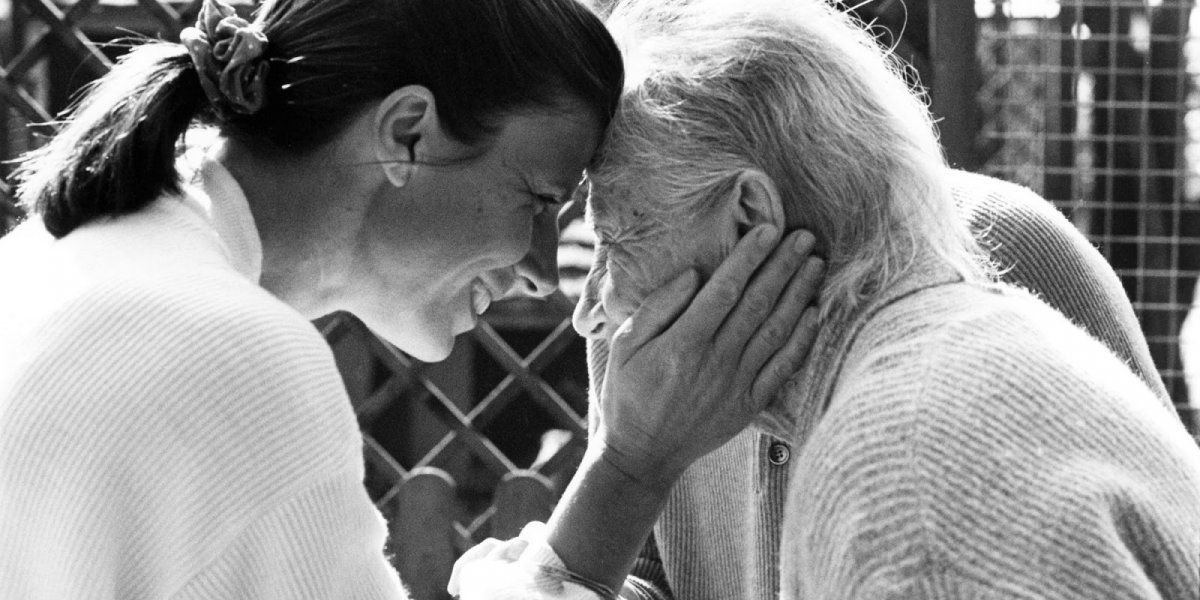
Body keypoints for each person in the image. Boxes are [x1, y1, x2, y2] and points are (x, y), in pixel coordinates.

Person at [0, 0, 825, 597]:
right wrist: (634, 468)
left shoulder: (72, 261)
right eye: (538, 200)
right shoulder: (231, 351)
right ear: (406, 133)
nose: (545, 272)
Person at [453, 0, 1200, 598]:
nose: (586, 308)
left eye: (614, 238)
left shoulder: (902, 470)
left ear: (749, 219)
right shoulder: (654, 334)